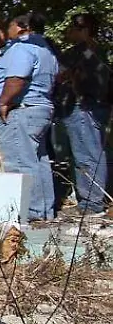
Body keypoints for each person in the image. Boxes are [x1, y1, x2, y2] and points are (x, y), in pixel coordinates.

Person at [0, 12, 61, 220]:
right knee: (37, 161)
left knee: (19, 163)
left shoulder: (22, 48)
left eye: (10, 26)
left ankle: (29, 213)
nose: (7, 31)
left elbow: (17, 78)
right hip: (37, 108)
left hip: (20, 110)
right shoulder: (46, 50)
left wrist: (4, 101)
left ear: (22, 28)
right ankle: (42, 211)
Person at [56, 12, 109, 215]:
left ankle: (91, 203)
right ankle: (92, 199)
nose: (69, 32)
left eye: (74, 28)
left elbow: (60, 75)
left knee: (86, 155)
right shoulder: (99, 51)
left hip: (83, 107)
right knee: (92, 153)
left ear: (84, 30)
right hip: (95, 107)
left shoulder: (81, 52)